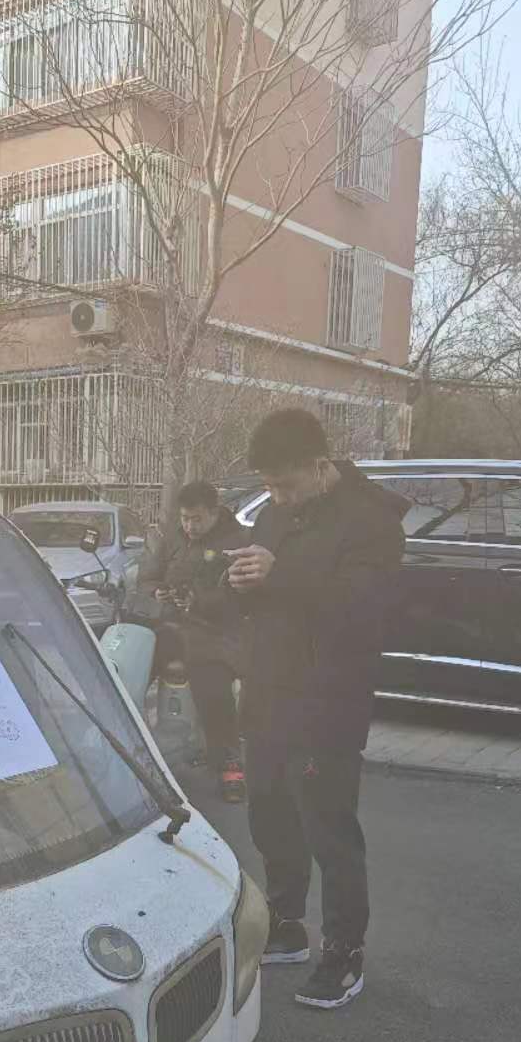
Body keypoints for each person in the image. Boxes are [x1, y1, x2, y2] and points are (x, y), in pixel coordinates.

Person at [227, 407, 405, 1010]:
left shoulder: (371, 521)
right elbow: (268, 595)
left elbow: (360, 610)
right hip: (268, 694)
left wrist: (278, 576)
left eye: (284, 485)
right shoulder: (277, 513)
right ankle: (286, 925)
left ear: (320, 465)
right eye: (269, 486)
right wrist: (238, 584)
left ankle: (344, 951)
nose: (275, 497)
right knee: (269, 812)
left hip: (327, 700)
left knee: (328, 827)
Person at [142, 481, 248, 802]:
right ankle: (128, 747)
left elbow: (242, 596)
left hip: (215, 634)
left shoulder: (237, 542)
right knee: (127, 667)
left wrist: (200, 601)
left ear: (214, 512)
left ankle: (229, 764)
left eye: (197, 519)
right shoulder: (172, 538)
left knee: (213, 687)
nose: (190, 526)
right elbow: (147, 577)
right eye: (185, 518)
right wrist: (157, 591)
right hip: (171, 627)